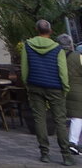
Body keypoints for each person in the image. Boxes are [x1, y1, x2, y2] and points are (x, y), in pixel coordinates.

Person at [21, 18, 73, 164]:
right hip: (55, 87)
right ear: (50, 31)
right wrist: (65, 87)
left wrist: (27, 83)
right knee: (60, 121)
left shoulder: (27, 46)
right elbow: (63, 71)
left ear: (37, 30)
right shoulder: (57, 49)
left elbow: (25, 68)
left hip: (35, 85)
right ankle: (66, 156)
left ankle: (44, 153)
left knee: (39, 119)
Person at [63, 34, 82, 156]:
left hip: (60, 90)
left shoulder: (55, 55)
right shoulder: (78, 57)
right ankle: (72, 143)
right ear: (71, 45)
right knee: (77, 117)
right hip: (77, 90)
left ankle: (70, 143)